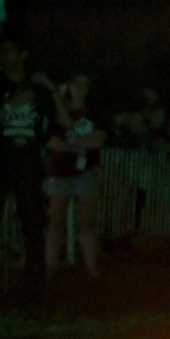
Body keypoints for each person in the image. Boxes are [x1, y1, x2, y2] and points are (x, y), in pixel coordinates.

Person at [0, 40, 53, 293]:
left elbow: (56, 120)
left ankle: (35, 285)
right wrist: (10, 106)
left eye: (10, 50)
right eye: (2, 51)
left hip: (28, 166)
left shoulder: (36, 90)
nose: (4, 55)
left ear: (23, 53)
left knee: (33, 227)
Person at [44, 74, 106, 277]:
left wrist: (70, 145)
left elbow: (99, 139)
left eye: (84, 83)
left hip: (85, 172)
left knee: (87, 223)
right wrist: (80, 146)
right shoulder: (59, 112)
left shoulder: (95, 112)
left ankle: (92, 269)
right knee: (56, 222)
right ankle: (50, 268)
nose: (79, 88)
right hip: (62, 172)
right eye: (76, 83)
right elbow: (52, 142)